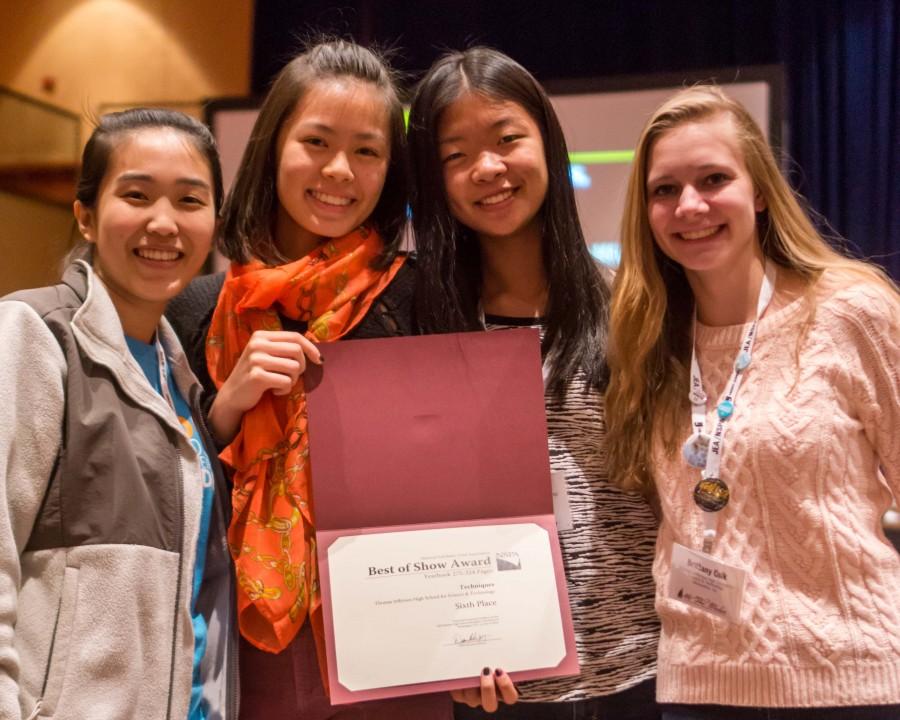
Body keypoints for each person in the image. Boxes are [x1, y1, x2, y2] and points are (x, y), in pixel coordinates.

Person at [166, 39, 450, 720]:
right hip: (240, 647)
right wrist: (228, 405)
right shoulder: (199, 307)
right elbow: (163, 492)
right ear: (273, 147)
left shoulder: (420, 296)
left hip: (397, 642)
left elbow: (458, 482)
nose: (338, 171)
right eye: (316, 141)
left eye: (367, 151)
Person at [605, 85, 900, 718]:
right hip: (698, 686)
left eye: (714, 178)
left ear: (759, 191)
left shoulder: (852, 311)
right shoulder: (645, 340)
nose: (690, 205)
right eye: (665, 190)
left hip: (853, 682)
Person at [407, 46, 661, 719]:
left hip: (643, 670)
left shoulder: (630, 307)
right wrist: (440, 646)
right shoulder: (418, 328)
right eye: (455, 154)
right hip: (497, 687)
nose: (486, 169)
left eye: (506, 139)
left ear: (545, 141)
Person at [0, 108, 236, 720]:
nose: (164, 222)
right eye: (136, 194)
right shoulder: (35, 335)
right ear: (85, 213)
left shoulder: (181, 377)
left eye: (190, 200)